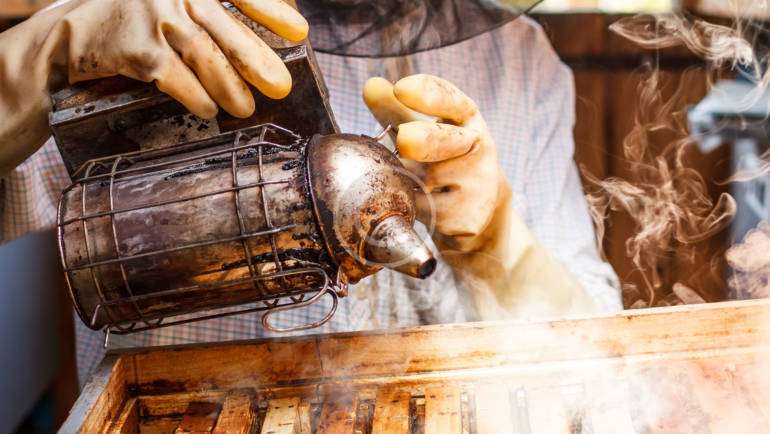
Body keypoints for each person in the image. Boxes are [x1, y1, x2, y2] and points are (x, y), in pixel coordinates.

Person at [0, 0, 622, 383]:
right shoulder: (147, 23)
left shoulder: (516, 58)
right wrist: (40, 59)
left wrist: (494, 243)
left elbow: (595, 356)